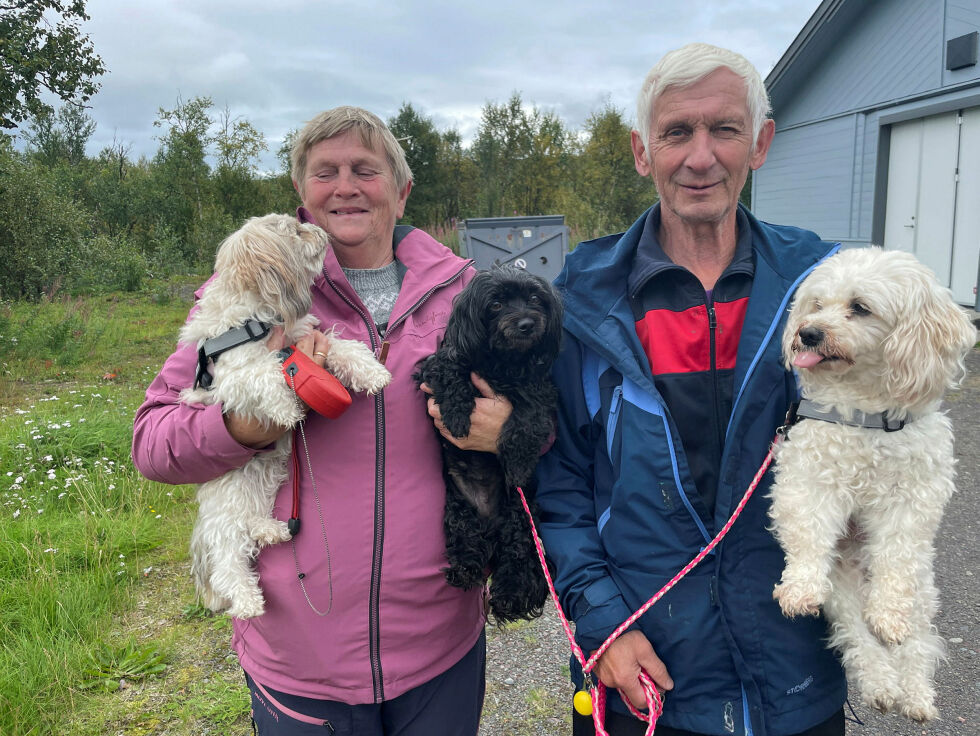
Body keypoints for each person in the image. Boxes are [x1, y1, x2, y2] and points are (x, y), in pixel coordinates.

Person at [132, 106, 510, 735]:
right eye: (324, 171)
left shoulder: (463, 292)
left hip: (440, 636)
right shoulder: (244, 299)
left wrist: (506, 429)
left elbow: (546, 415)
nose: (345, 186)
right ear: (301, 191)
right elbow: (152, 442)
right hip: (300, 650)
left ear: (402, 188)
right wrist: (241, 428)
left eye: (366, 169)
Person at [534, 43, 848, 736]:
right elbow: (559, 489)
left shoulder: (826, 287)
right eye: (676, 132)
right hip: (647, 683)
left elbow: (889, 432)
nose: (700, 157)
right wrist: (604, 627)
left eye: (724, 129)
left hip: (795, 681)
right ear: (643, 152)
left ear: (760, 143)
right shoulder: (581, 304)